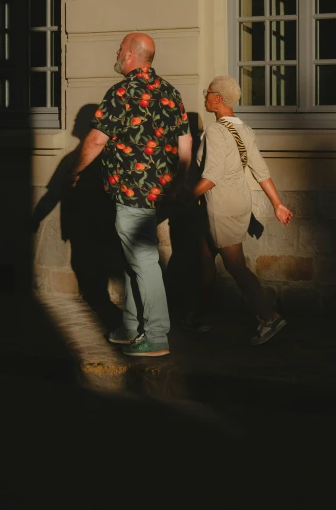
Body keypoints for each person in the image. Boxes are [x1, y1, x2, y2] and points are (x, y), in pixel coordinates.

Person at [71, 32, 192, 357]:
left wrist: (77, 170)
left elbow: (96, 140)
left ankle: (156, 335)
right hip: (161, 193)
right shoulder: (170, 91)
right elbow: (185, 142)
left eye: (120, 48)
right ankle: (129, 325)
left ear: (130, 55)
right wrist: (180, 182)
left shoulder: (121, 92)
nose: (117, 52)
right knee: (133, 259)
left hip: (133, 193)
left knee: (143, 261)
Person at [184, 75, 293, 346]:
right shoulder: (244, 129)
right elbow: (261, 171)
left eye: (208, 92)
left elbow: (211, 176)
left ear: (218, 98)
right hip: (233, 203)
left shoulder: (215, 131)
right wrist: (277, 204)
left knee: (236, 266)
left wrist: (184, 197)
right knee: (205, 263)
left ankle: (269, 317)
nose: (205, 96)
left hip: (220, 207)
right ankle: (198, 316)